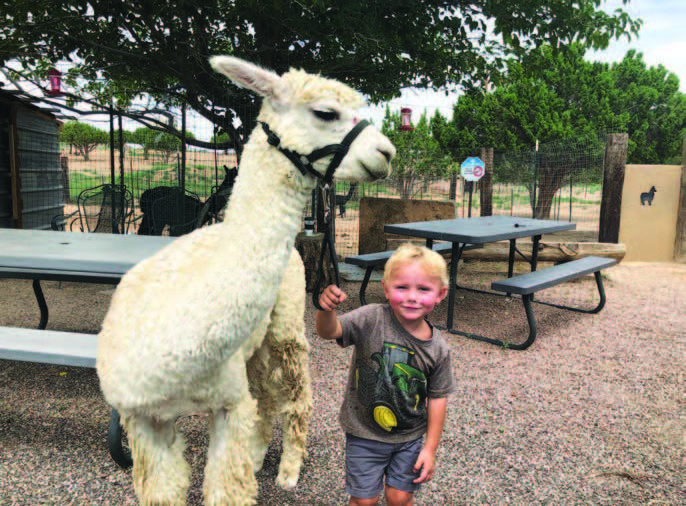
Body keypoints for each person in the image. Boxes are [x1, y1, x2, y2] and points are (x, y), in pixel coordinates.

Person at [316, 242, 455, 506]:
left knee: (400, 497)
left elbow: (438, 398)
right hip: (364, 433)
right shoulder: (370, 318)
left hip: (409, 438)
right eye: (402, 287)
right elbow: (329, 331)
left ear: (440, 293)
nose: (412, 296)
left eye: (423, 289)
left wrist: (430, 448)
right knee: (364, 501)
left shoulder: (438, 349)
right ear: (386, 288)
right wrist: (326, 310)